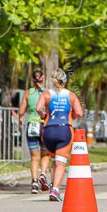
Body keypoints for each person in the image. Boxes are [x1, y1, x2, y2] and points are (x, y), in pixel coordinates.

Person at [36, 69, 84, 202]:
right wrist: (71, 115)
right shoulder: (71, 95)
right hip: (64, 131)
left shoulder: (46, 94)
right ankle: (56, 189)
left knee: (54, 161)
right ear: (65, 81)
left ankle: (53, 187)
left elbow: (39, 108)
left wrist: (44, 116)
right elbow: (79, 113)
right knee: (61, 163)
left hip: (48, 131)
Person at [17, 69, 50, 193]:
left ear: (32, 80)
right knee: (45, 154)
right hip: (44, 125)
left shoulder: (27, 93)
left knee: (34, 157)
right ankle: (43, 174)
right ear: (44, 78)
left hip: (31, 125)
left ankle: (34, 183)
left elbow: (21, 112)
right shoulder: (48, 93)